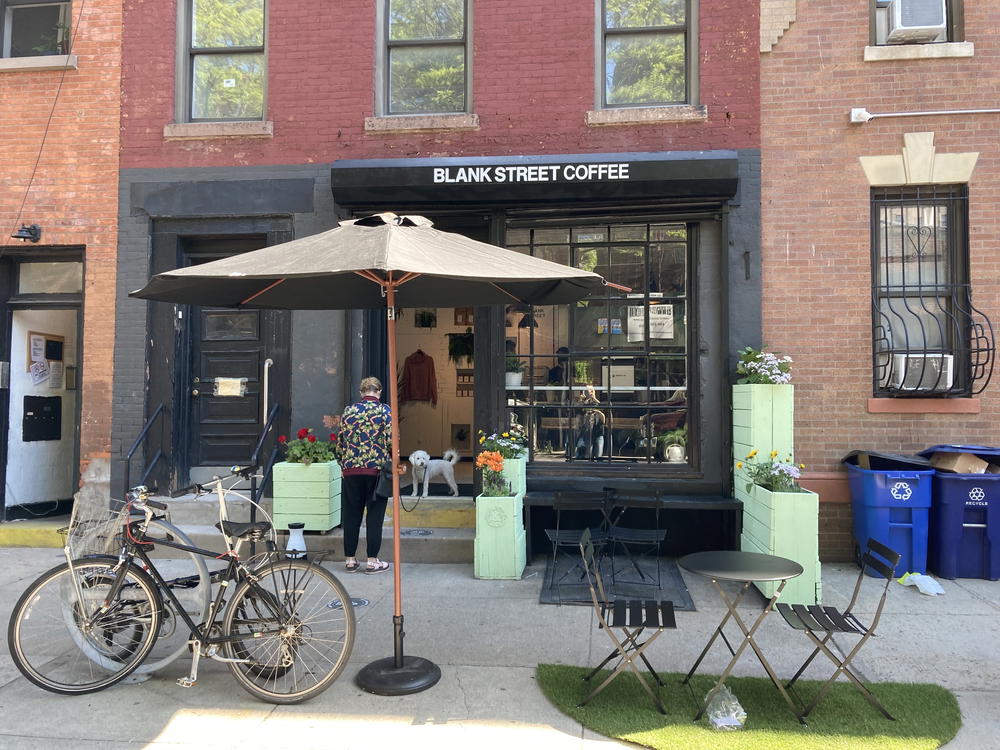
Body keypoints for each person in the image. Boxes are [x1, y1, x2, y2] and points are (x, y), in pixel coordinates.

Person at [331, 376, 392, 573]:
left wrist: (343, 463)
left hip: (351, 469)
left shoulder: (349, 411)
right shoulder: (385, 411)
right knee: (374, 515)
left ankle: (350, 560)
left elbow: (341, 441)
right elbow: (392, 441)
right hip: (376, 470)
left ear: (361, 393)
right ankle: (372, 561)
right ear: (379, 391)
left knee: (351, 514)